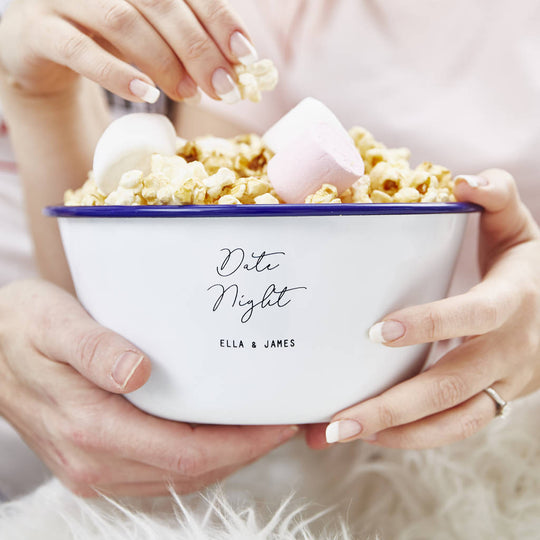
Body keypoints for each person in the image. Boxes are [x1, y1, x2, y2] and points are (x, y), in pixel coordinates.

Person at [0, 0, 538, 499]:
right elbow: (206, 204)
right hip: (258, 429)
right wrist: (40, 97)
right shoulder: (269, 15)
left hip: (478, 447)